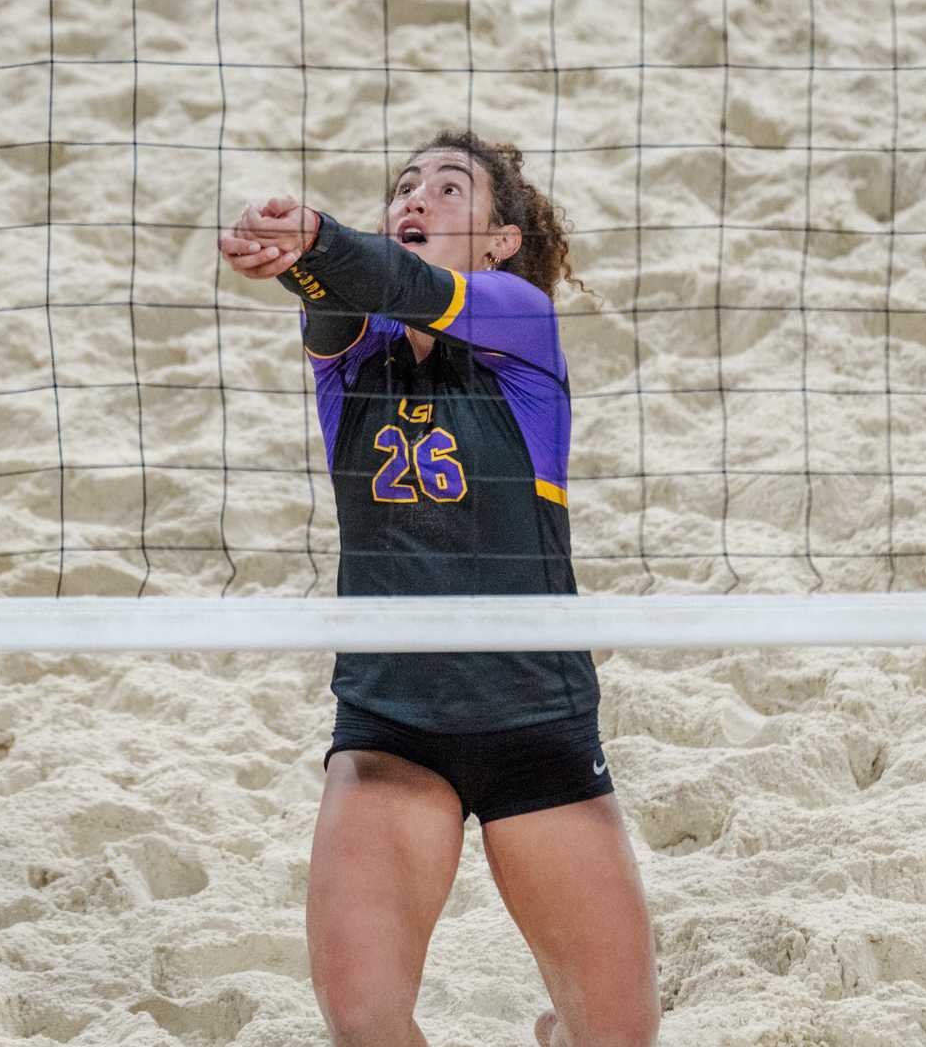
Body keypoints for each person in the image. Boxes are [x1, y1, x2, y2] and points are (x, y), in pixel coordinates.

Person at [219, 131, 659, 1047]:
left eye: (450, 189)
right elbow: (341, 305)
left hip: (536, 724)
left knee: (617, 1039)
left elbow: (405, 284)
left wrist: (315, 237)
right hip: (392, 728)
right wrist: (298, 253)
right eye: (405, 187)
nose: (416, 199)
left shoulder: (521, 320)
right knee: (369, 1026)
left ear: (500, 241)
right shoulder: (348, 357)